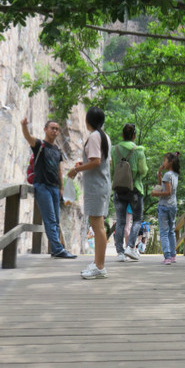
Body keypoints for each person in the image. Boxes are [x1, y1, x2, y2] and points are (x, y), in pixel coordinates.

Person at [20, 118, 77, 259]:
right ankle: (58, 249)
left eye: (57, 129)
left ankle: (55, 249)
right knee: (50, 219)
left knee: (56, 220)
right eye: (52, 128)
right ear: (45, 129)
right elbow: (28, 137)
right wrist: (24, 126)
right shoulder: (40, 145)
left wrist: (61, 188)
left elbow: (59, 170)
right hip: (42, 186)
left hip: (54, 188)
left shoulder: (57, 150)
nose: (55, 131)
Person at [67, 108, 111, 279]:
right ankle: (98, 263)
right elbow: (100, 162)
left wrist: (76, 169)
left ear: (88, 121)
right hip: (102, 184)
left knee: (97, 226)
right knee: (98, 225)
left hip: (96, 187)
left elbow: (96, 161)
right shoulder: (104, 136)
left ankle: (100, 267)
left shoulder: (94, 136)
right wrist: (83, 163)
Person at [112, 124, 148, 262]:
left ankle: (120, 252)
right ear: (134, 136)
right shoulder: (138, 151)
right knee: (137, 220)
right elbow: (143, 171)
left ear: (122, 135)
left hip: (119, 189)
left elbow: (112, 170)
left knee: (120, 221)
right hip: (135, 189)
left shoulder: (115, 150)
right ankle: (130, 247)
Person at [152, 152, 180, 265]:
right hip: (173, 205)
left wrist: (155, 194)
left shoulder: (167, 175)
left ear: (170, 162)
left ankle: (167, 256)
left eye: (164, 160)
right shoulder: (174, 174)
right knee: (171, 231)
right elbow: (162, 187)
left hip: (164, 206)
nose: (163, 163)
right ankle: (173, 255)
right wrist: (159, 175)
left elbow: (167, 192)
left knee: (164, 232)